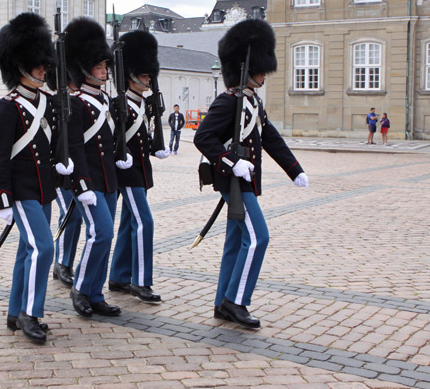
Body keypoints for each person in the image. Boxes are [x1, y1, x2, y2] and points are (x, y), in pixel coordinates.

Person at [194, 19, 309, 329]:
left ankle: (222, 303)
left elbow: (269, 137)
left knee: (236, 242)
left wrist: (294, 169)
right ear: (245, 67)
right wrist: (231, 161)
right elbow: (203, 137)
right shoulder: (228, 101)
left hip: (244, 182)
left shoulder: (252, 102)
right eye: (258, 68)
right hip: (234, 182)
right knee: (259, 238)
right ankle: (236, 301)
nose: (263, 73)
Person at [0, 12, 61, 344]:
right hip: (20, 192)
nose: (43, 69)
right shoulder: (7, 107)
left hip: (45, 190)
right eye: (37, 65)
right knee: (44, 249)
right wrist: (0, 196)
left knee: (27, 251)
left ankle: (15, 311)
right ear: (20, 66)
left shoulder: (47, 102)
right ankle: (32, 314)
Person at [64, 17, 127, 318]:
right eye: (100, 66)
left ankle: (95, 292)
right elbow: (74, 146)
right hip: (88, 181)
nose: (105, 71)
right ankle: (80, 286)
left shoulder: (107, 100)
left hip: (108, 179)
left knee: (107, 236)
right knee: (99, 233)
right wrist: (81, 184)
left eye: (105, 66)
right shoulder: (76, 102)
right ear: (86, 69)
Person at [108, 30, 170, 303]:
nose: (147, 80)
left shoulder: (143, 104)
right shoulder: (119, 104)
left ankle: (119, 276)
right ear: (131, 75)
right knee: (144, 222)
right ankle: (141, 281)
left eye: (148, 76)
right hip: (127, 172)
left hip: (140, 171)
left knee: (128, 223)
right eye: (144, 76)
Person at [51, 81, 84, 288]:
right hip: (59, 170)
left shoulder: (82, 102)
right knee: (70, 214)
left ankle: (66, 262)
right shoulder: (54, 103)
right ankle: (61, 263)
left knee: (77, 216)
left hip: (78, 168)